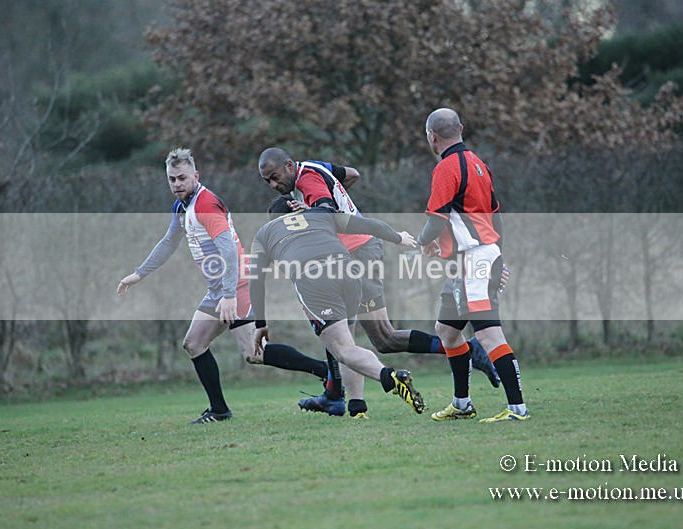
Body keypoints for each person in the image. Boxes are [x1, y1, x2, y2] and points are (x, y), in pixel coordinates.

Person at [258, 148, 499, 419]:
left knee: (364, 337)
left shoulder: (307, 182)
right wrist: (341, 200)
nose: (274, 185)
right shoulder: (315, 166)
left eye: (276, 177)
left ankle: (465, 351)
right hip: (358, 249)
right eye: (267, 181)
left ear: (289, 166)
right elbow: (352, 174)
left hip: (355, 252)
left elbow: (325, 209)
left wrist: (314, 212)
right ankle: (343, 399)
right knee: (362, 337)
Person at [117, 147, 345, 423]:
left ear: (195, 176)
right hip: (220, 289)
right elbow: (168, 242)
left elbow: (227, 251)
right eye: (172, 179)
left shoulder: (205, 203)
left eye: (182, 178)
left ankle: (325, 371)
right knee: (194, 344)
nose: (177, 184)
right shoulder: (183, 206)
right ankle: (220, 410)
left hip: (235, 283)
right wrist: (139, 274)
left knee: (252, 353)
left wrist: (227, 295)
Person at [249, 197, 426, 415]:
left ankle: (390, 377)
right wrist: (398, 237)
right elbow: (369, 225)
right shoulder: (319, 214)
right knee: (348, 344)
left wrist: (260, 323)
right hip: (349, 271)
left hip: (314, 278)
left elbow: (255, 280)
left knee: (343, 349)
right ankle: (357, 407)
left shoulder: (265, 232)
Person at [417, 108, 529, 422]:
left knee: (489, 335)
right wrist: (500, 258)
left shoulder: (446, 168)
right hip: (474, 259)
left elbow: (435, 221)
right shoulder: (479, 164)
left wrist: (420, 242)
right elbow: (496, 216)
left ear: (432, 137)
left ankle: (517, 408)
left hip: (473, 262)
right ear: (461, 128)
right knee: (447, 332)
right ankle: (462, 404)